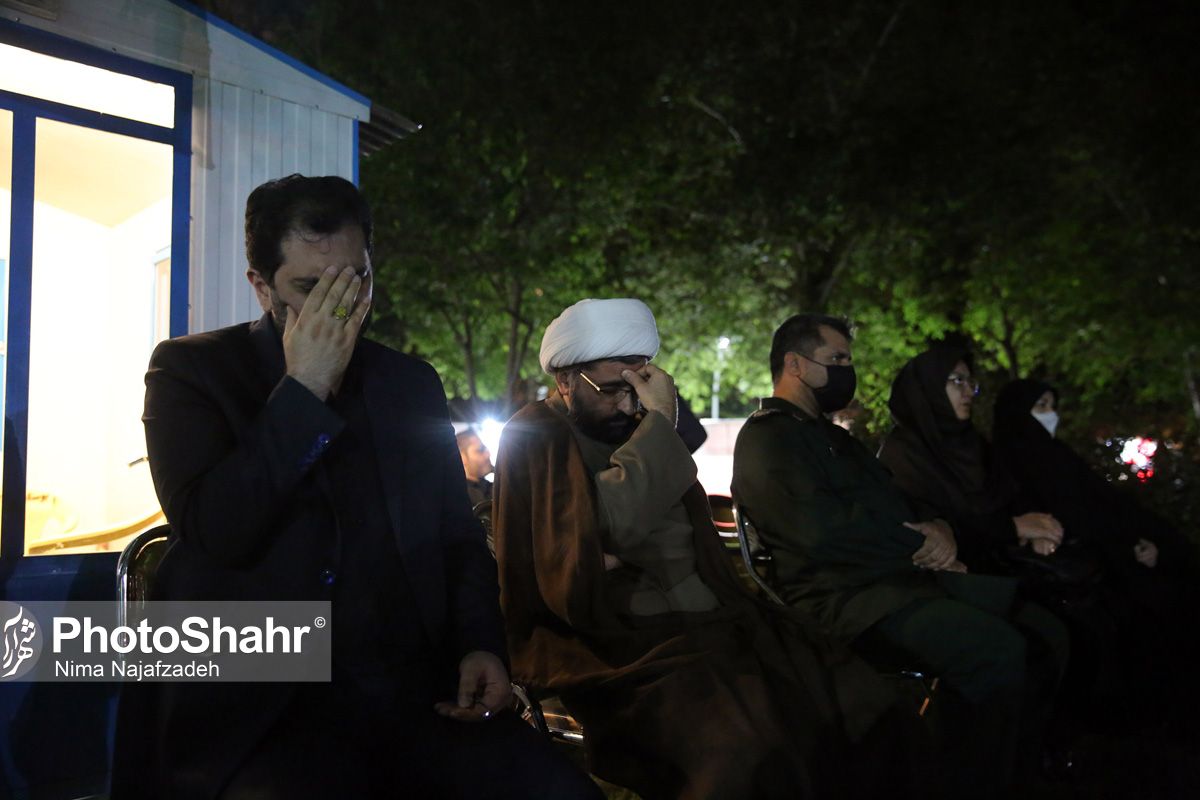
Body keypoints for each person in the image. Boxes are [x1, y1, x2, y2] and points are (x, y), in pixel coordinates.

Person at [111, 175, 600, 800]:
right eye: (311, 289)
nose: (340, 308)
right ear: (261, 286)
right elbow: (216, 530)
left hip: (410, 693)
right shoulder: (193, 371)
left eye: (356, 282)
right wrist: (304, 389)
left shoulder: (408, 383)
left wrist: (480, 645)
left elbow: (456, 536)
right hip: (264, 704)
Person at [493, 299, 903, 800]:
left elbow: (632, 534)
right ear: (565, 380)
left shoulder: (637, 429)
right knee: (745, 749)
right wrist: (659, 426)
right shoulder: (536, 433)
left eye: (640, 389)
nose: (629, 406)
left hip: (710, 618)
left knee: (863, 704)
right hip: (619, 642)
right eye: (615, 389)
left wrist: (620, 534)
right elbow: (603, 538)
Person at [731, 314, 1068, 800]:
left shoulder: (832, 438)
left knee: (1047, 630)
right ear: (795, 365)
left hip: (896, 583)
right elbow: (821, 533)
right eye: (837, 359)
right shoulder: (770, 438)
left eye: (849, 359)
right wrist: (921, 549)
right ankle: (960, 782)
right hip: (845, 603)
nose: (847, 370)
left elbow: (896, 504)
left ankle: (1011, 769)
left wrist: (939, 533)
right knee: (996, 651)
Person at [876, 347, 1067, 573]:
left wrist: (1036, 531)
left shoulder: (974, 444)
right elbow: (924, 528)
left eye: (970, 383)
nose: (969, 392)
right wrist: (1013, 528)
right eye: (958, 381)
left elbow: (1009, 499)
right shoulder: (904, 453)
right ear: (928, 387)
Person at [457, 428, 495, 507]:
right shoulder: (455, 497)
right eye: (480, 450)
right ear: (462, 458)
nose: (487, 454)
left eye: (485, 448)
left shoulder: (494, 488)